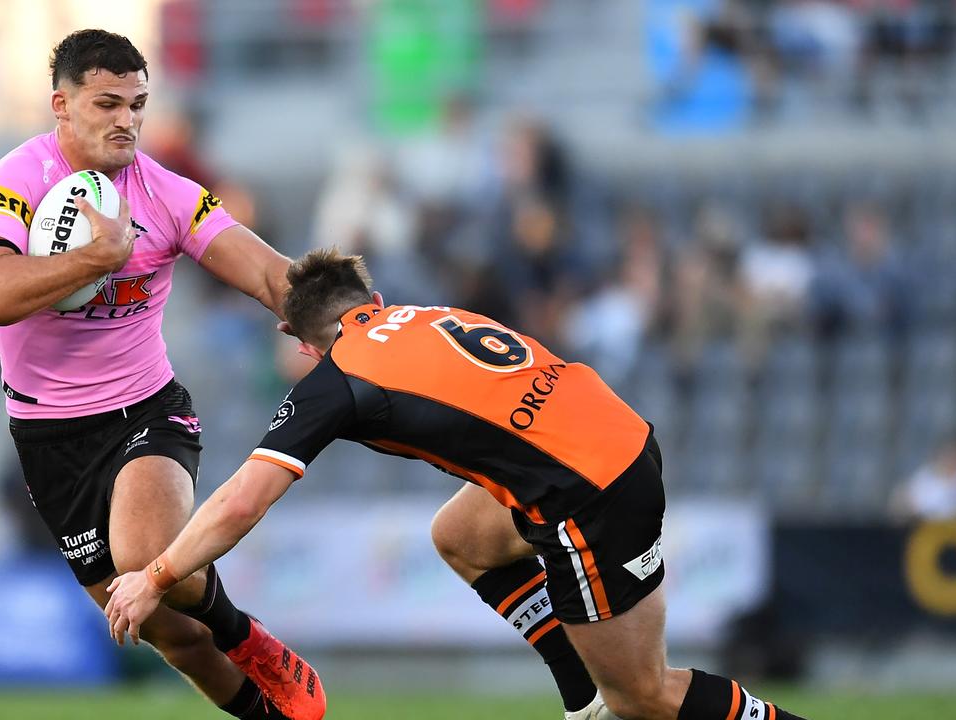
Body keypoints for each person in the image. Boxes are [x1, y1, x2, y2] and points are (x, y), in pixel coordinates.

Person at [105, 248, 811, 720]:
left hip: (584, 496)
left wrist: (157, 576)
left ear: (299, 340)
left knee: (644, 698)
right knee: (460, 536)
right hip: (619, 436)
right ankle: (578, 693)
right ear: (371, 298)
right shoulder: (427, 315)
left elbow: (241, 499)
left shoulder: (336, 378)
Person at [0, 29, 323, 720]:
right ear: (61, 105)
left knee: (146, 558)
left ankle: (248, 638)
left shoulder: (169, 194)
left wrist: (342, 326)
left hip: (144, 411)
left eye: (138, 103)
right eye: (106, 104)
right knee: (169, 631)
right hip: (48, 438)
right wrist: (99, 258)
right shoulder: (14, 182)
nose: (126, 119)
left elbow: (270, 272)